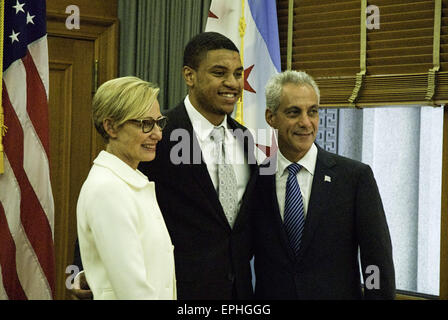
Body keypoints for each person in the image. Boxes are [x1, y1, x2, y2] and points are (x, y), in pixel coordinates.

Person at [252, 70, 396, 299]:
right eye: (293, 113)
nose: (306, 122)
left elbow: (376, 262)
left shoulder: (354, 177)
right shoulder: (256, 180)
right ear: (271, 117)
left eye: (313, 112)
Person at [138, 32, 257, 300]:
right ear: (189, 76)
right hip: (176, 291)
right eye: (219, 73)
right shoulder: (158, 134)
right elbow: (116, 199)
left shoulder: (246, 139)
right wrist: (84, 268)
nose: (232, 83)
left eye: (238, 74)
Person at [76, 76, 176, 299]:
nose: (158, 134)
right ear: (111, 127)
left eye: (159, 122)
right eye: (145, 124)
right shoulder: (108, 189)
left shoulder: (130, 180)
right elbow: (134, 292)